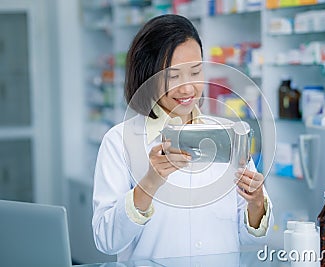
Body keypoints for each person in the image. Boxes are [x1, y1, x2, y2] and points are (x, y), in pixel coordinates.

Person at [92, 14, 272, 262]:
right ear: (148, 76)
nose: (188, 89)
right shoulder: (120, 141)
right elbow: (106, 239)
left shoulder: (229, 134)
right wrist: (150, 184)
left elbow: (251, 238)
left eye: (195, 72)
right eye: (174, 76)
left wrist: (256, 202)